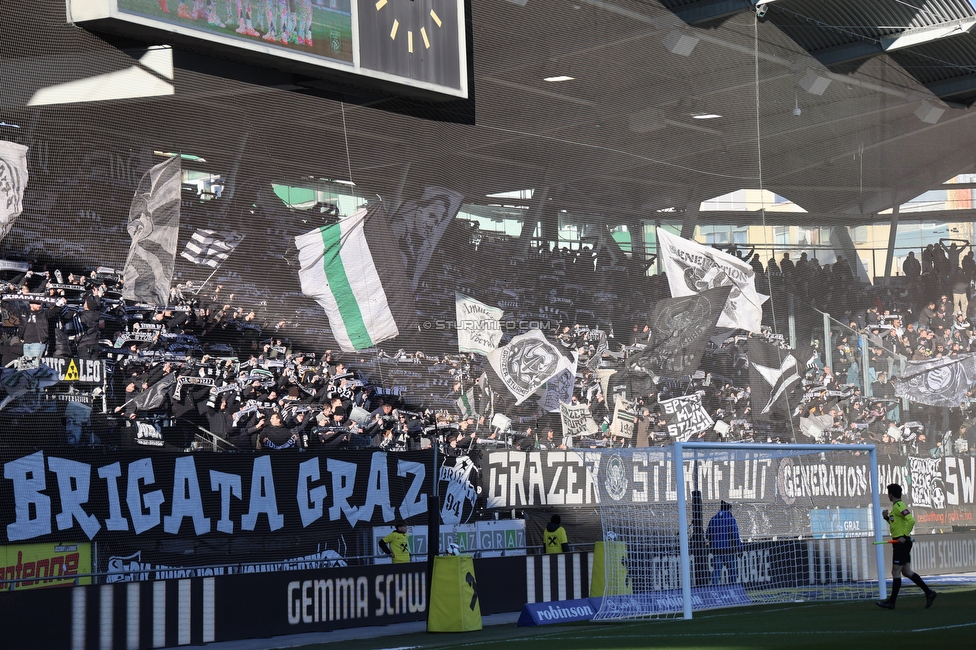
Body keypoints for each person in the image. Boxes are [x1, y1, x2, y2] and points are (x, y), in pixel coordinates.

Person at [876, 483, 937, 610]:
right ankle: (929, 592)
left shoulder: (899, 506)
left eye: (888, 493)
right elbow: (896, 524)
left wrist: (904, 535)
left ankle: (891, 602)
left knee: (895, 571)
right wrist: (887, 518)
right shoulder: (896, 507)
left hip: (901, 542)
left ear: (890, 494)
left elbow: (911, 520)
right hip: (900, 542)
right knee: (906, 571)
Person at [706, 500, 741, 585]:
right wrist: (740, 548)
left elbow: (707, 534)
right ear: (729, 508)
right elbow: (735, 535)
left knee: (716, 571)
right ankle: (733, 590)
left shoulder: (713, 519)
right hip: (728, 550)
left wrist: (713, 543)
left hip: (716, 550)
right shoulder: (730, 519)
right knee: (732, 571)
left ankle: (713, 590)